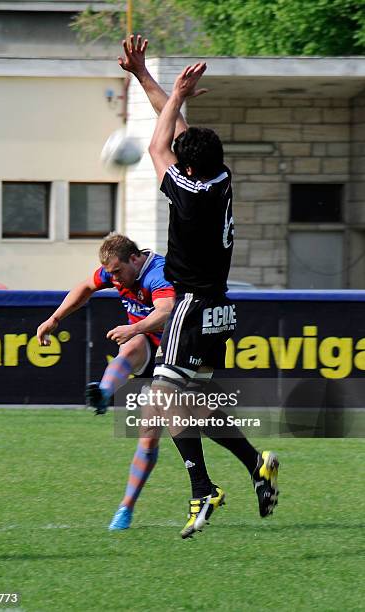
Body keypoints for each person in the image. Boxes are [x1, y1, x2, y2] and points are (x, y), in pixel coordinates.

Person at [121, 35, 279, 538]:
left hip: (192, 305)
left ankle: (203, 490)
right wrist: (152, 82)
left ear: (186, 169)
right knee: (190, 408)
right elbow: (178, 138)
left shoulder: (187, 193)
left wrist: (176, 96)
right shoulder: (218, 176)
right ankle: (255, 464)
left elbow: (157, 143)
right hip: (220, 309)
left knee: (163, 398)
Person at [36, 233, 175, 530]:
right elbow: (85, 286)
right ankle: (102, 393)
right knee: (132, 346)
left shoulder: (157, 273)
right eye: (110, 273)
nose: (115, 279)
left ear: (134, 259)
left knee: (154, 436)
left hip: (178, 355)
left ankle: (254, 466)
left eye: (118, 272)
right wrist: (55, 319)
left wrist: (133, 327)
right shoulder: (116, 274)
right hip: (149, 344)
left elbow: (167, 311)